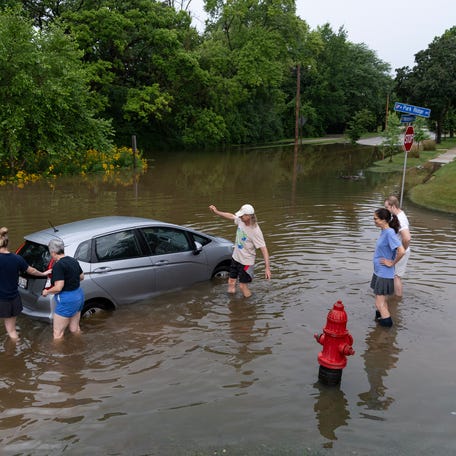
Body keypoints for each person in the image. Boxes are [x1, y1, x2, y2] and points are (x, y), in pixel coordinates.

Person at [209, 203, 271, 298]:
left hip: (246, 262)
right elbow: (231, 216)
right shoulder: (241, 220)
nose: (240, 217)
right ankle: (232, 303)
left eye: (242, 216)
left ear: (249, 216)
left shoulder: (255, 231)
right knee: (231, 282)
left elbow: (264, 249)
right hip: (236, 257)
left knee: (242, 286)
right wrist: (217, 212)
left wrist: (267, 268)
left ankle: (249, 304)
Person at [0, 227, 49, 340]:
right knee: (11, 330)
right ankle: (16, 347)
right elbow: (31, 270)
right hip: (13, 298)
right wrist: (43, 273)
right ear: (8, 243)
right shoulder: (17, 259)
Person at [42, 239, 84, 340]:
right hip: (79, 296)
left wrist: (46, 291)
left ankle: (58, 355)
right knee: (75, 329)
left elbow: (58, 287)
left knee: (57, 334)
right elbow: (82, 277)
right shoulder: (73, 260)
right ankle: (81, 346)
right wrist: (68, 276)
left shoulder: (58, 265)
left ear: (52, 252)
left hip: (67, 299)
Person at [371, 208, 405, 327]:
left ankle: (386, 331)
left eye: (375, 219)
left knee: (379, 304)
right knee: (382, 302)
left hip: (384, 273)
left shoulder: (389, 233)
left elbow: (401, 251)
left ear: (384, 220)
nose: (374, 221)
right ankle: (380, 325)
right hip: (379, 271)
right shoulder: (384, 231)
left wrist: (392, 263)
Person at [384, 195, 411, 298]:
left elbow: (407, 238)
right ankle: (392, 296)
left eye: (387, 207)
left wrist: (402, 250)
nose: (386, 210)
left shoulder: (401, 219)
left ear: (393, 206)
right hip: (397, 250)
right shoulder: (398, 215)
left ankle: (397, 300)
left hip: (401, 251)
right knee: (393, 275)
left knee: (396, 276)